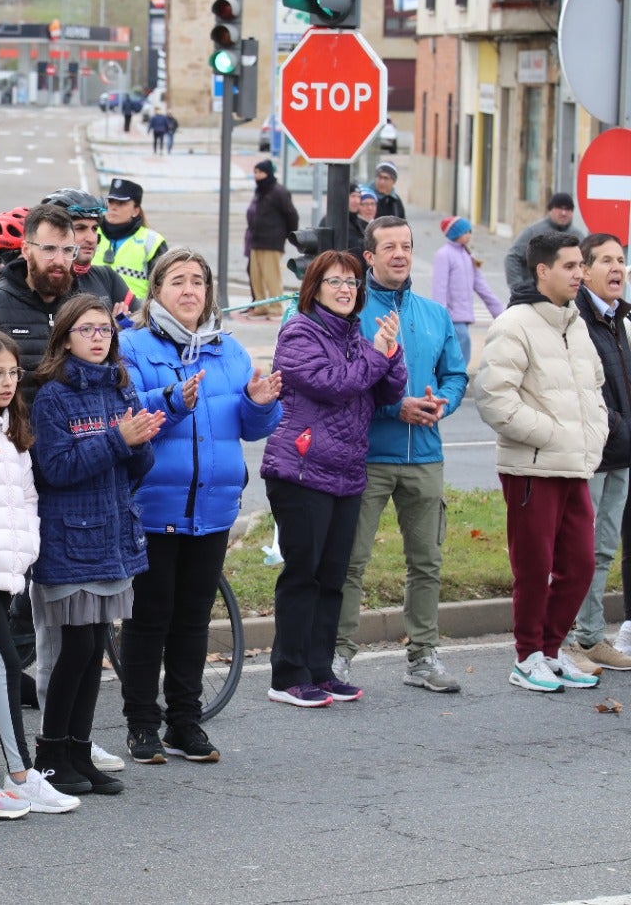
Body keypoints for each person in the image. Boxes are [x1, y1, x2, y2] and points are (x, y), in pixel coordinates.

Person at [118, 250, 282, 763]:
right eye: (177, 282)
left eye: (197, 282)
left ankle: (184, 722)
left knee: (193, 619)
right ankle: (142, 722)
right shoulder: (130, 345)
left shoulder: (229, 351)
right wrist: (171, 398)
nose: (189, 291)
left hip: (213, 508)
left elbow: (252, 429)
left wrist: (259, 402)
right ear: (156, 291)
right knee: (149, 617)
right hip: (153, 503)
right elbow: (122, 411)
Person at [260, 252, 406, 709]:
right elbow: (336, 384)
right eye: (335, 281)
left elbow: (389, 391)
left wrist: (391, 352)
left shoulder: (357, 337)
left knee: (332, 578)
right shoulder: (298, 332)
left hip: (346, 473)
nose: (346, 289)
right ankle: (287, 676)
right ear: (314, 287)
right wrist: (377, 360)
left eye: (352, 283)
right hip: (301, 471)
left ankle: (320, 671)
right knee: (302, 575)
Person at [30, 294, 162, 796]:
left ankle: (79, 753)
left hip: (112, 535)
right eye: (87, 330)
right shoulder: (52, 397)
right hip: (69, 540)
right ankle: (50, 753)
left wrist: (140, 441)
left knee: (93, 652)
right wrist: (117, 440)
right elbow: (55, 470)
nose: (98, 338)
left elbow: (133, 470)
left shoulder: (119, 388)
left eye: (105, 330)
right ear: (65, 338)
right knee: (77, 648)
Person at [332, 218, 469, 694]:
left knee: (427, 561)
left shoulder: (435, 313)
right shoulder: (353, 312)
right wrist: (397, 407)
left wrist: (442, 403)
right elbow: (346, 383)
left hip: (426, 457)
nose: (400, 254)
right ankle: (339, 655)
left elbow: (455, 375)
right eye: (389, 247)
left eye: (407, 246)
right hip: (368, 456)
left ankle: (423, 657)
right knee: (352, 561)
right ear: (368, 256)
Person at [0, 328, 80, 816]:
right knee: (5, 665)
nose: (7, 382)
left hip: (7, 570)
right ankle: (21, 774)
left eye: (12, 372)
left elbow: (27, 498)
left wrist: (27, 551)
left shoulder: (13, 430)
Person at [477, 232, 607, 692]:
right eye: (570, 266)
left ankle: (551, 651)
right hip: (532, 469)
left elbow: (594, 389)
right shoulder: (515, 323)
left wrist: (595, 433)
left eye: (580, 266)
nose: (580, 274)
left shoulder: (576, 323)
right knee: (533, 568)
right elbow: (494, 399)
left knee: (582, 564)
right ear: (542, 271)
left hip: (575, 464)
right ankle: (526, 655)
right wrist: (552, 435)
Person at [568, 234, 631, 672]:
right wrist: (622, 429)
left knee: (605, 547)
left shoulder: (618, 319)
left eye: (622, 260)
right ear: (584, 270)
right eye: (606, 260)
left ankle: (591, 637)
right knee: (578, 549)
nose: (617, 268)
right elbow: (587, 391)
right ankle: (566, 637)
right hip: (590, 453)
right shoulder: (576, 319)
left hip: (622, 455)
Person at [0, 204, 85, 405]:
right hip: (14, 435)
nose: (59, 260)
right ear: (26, 250)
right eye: (49, 249)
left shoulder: (85, 312)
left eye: (68, 250)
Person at [40, 189, 136, 311]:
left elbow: (142, 320)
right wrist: (111, 328)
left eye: (94, 229)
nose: (91, 239)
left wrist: (121, 327)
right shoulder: (40, 281)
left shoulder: (107, 276)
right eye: (80, 228)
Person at [431, 217, 503, 367]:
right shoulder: (444, 255)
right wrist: (441, 314)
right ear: (455, 233)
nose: (469, 235)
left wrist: (500, 313)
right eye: (466, 232)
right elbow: (440, 286)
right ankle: (456, 377)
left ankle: (457, 377)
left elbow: (482, 286)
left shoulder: (467, 255)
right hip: (451, 314)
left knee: (459, 347)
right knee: (462, 343)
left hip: (463, 314)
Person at [92, 179, 168, 301]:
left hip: (135, 314)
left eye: (121, 203)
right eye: (111, 202)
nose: (113, 207)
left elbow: (163, 287)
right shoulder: (91, 233)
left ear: (136, 210)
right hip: (92, 309)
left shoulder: (152, 241)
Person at [245, 159, 299, 320]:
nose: (257, 176)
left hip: (272, 241)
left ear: (268, 173)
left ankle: (275, 307)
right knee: (256, 275)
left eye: (260, 172)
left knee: (271, 275)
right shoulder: (261, 191)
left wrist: (289, 235)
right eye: (255, 172)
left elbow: (291, 214)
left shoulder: (279, 192)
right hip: (257, 240)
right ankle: (261, 305)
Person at [504, 193, 588, 294]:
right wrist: (518, 287)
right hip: (534, 294)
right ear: (550, 210)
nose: (564, 213)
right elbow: (512, 257)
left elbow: (587, 264)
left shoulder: (578, 236)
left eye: (568, 209)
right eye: (559, 208)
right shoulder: (533, 232)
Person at [321, 188, 368, 260]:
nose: (356, 201)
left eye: (359, 197)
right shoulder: (330, 221)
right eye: (353, 196)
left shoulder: (359, 223)